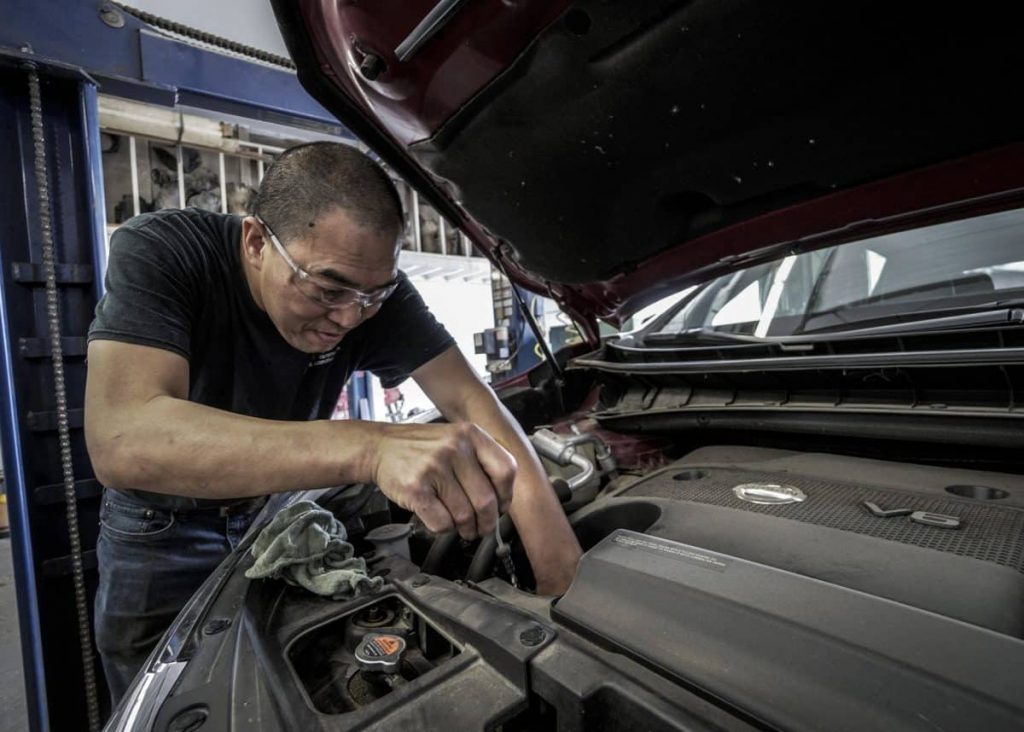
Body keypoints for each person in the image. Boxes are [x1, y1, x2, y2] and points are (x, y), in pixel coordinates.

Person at [84, 142, 582, 705]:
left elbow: (472, 403)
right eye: (327, 290)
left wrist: (559, 573)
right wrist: (371, 448)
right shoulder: (167, 251)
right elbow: (123, 438)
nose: (349, 317)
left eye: (373, 295)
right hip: (162, 529)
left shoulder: (368, 293)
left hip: (277, 513)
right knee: (165, 701)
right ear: (255, 242)